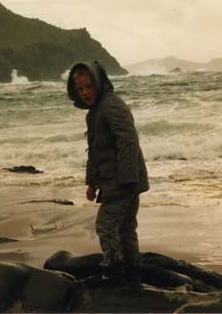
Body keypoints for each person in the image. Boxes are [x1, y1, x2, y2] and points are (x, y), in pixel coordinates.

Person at [67, 61, 149, 286]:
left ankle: (115, 272)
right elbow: (95, 151)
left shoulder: (111, 105)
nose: (85, 92)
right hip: (118, 180)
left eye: (89, 86)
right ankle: (133, 275)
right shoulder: (95, 111)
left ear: (98, 83)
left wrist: (127, 181)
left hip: (123, 180)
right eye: (80, 89)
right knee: (125, 229)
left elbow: (128, 142)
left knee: (105, 226)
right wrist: (92, 183)